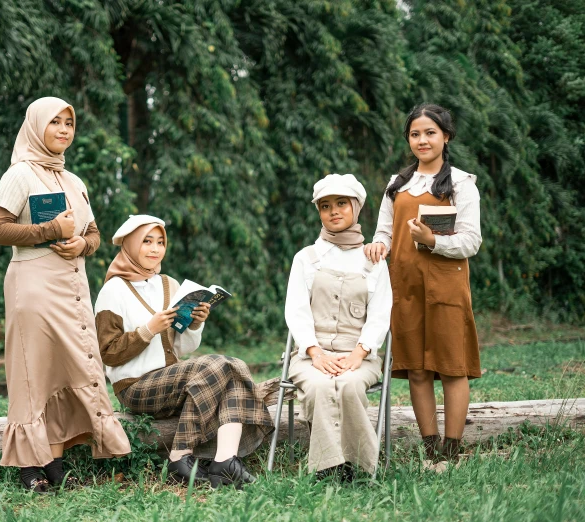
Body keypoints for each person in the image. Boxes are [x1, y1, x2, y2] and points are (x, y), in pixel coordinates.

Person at [0, 97, 130, 493]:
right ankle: (29, 466)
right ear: (36, 127)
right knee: (33, 372)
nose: (64, 130)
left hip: (73, 288)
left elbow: (95, 234)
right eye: (55, 122)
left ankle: (55, 455)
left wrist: (81, 245)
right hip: (33, 286)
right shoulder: (20, 175)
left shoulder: (73, 181)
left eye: (69, 123)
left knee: (69, 368)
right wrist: (47, 232)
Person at [94, 215, 274, 488]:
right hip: (135, 387)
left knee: (231, 368)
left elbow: (181, 347)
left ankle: (225, 461)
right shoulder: (113, 290)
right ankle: (180, 455)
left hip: (175, 380)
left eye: (160, 242)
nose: (155, 249)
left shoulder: (169, 284)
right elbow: (107, 353)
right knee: (222, 365)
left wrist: (195, 323)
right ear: (130, 245)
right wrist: (148, 329)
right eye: (147, 242)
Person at [364, 103, 482, 468]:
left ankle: (452, 450)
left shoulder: (461, 184)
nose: (422, 140)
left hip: (446, 286)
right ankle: (432, 451)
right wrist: (377, 245)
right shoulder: (396, 184)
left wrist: (432, 240)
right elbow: (384, 232)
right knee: (416, 368)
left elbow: (471, 242)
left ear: (446, 137)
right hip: (405, 286)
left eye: (430, 132)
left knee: (451, 367)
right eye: (415, 134)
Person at [285, 174, 392, 480]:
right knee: (318, 386)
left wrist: (360, 353)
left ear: (356, 207)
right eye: (325, 206)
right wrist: (314, 352)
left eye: (341, 204)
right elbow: (296, 311)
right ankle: (328, 467)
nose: (334, 211)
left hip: (359, 354)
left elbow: (381, 313)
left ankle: (359, 464)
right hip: (311, 354)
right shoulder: (306, 258)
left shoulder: (373, 259)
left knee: (348, 385)